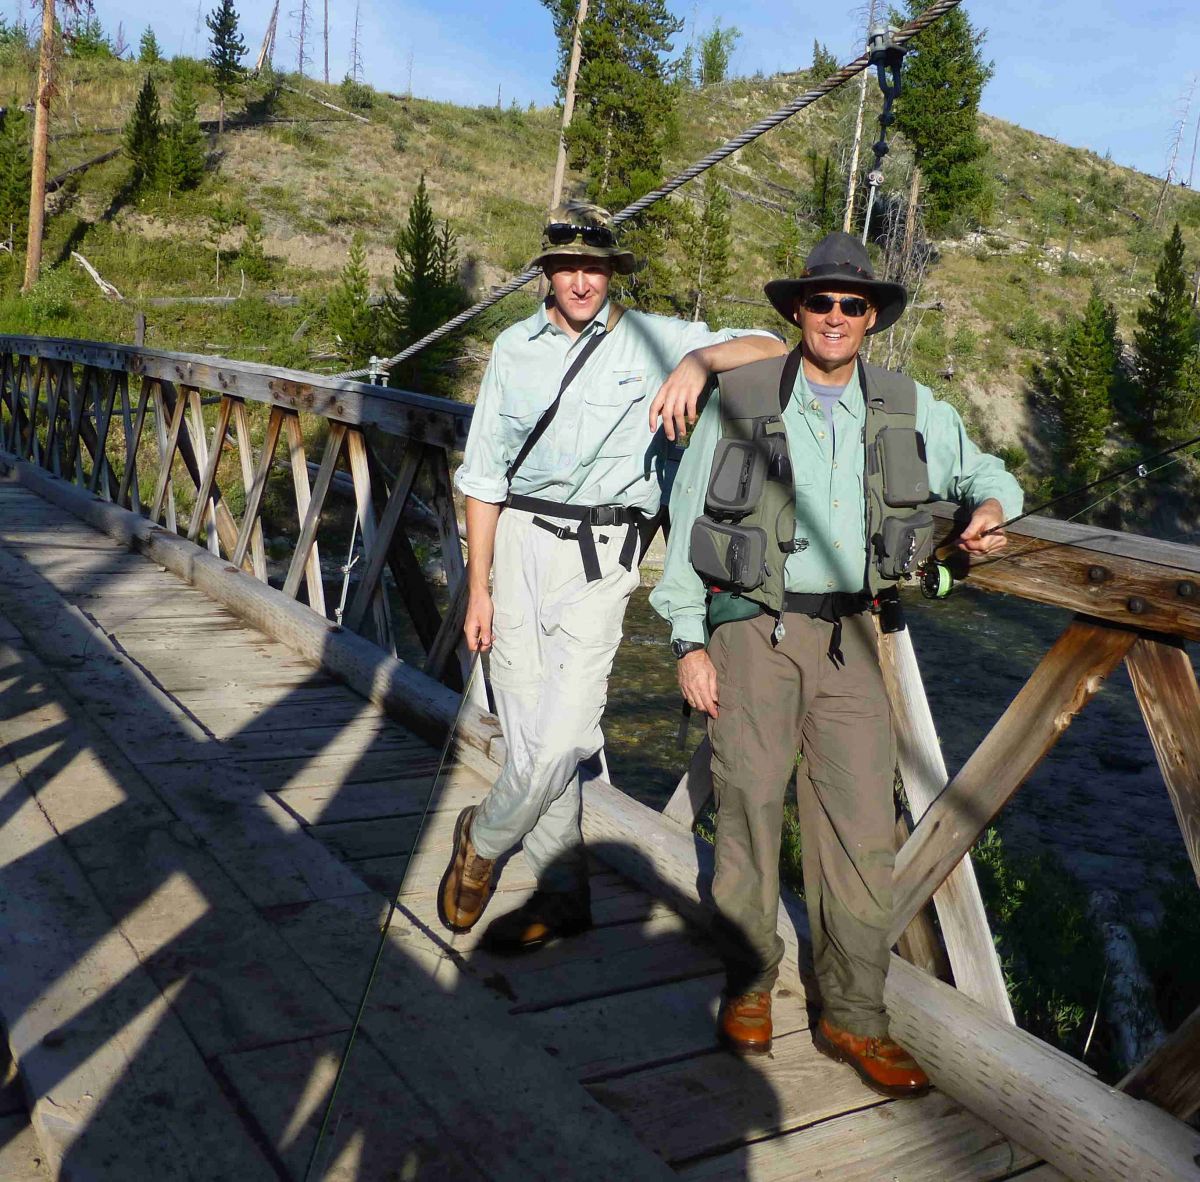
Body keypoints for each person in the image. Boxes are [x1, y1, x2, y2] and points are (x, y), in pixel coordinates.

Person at [649, 231, 1022, 1097]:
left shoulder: (909, 403)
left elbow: (986, 472)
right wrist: (685, 640)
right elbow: (682, 520)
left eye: (853, 305)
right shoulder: (738, 397)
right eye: (821, 301)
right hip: (750, 632)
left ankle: (854, 1013)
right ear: (796, 311)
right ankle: (747, 983)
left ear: (873, 319)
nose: (836, 317)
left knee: (863, 831)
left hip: (857, 637)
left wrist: (993, 508)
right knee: (744, 808)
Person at [439, 201, 786, 950]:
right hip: (517, 547)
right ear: (547, 272)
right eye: (567, 266)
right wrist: (478, 587)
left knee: (564, 734)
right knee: (533, 739)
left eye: (594, 266)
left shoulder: (656, 339)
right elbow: (484, 475)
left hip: (602, 559)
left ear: (611, 271)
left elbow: (771, 347)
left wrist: (698, 363)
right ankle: (564, 898)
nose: (581, 280)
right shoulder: (511, 349)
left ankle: (486, 838)